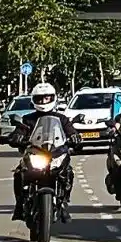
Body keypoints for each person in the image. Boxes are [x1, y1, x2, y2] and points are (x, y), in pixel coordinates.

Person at [13, 81, 75, 222]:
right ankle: (19, 205)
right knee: (18, 173)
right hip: (36, 153)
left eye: (47, 98)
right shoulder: (28, 119)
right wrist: (16, 137)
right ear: (34, 100)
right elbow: (20, 130)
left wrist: (75, 137)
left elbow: (71, 131)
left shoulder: (61, 118)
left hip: (55, 153)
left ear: (53, 98)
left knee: (68, 172)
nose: (43, 101)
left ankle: (64, 202)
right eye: (40, 98)